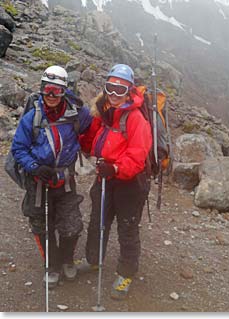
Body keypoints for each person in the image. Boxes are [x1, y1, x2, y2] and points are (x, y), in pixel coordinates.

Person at [11, 65, 92, 288]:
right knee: (41, 226)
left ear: (65, 91)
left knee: (72, 226)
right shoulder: (32, 118)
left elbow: (95, 128)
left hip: (65, 181)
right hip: (38, 182)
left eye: (57, 90)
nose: (52, 96)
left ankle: (67, 259)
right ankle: (52, 264)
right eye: (48, 90)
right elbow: (18, 148)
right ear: (41, 89)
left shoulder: (78, 114)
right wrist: (34, 167)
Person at [78, 64, 152, 300]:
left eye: (120, 89)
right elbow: (92, 141)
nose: (114, 93)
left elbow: (138, 156)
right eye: (110, 87)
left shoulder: (136, 119)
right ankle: (93, 260)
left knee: (127, 228)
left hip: (130, 183)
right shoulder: (105, 113)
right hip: (105, 177)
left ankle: (126, 273)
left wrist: (116, 168)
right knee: (97, 221)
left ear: (129, 91)